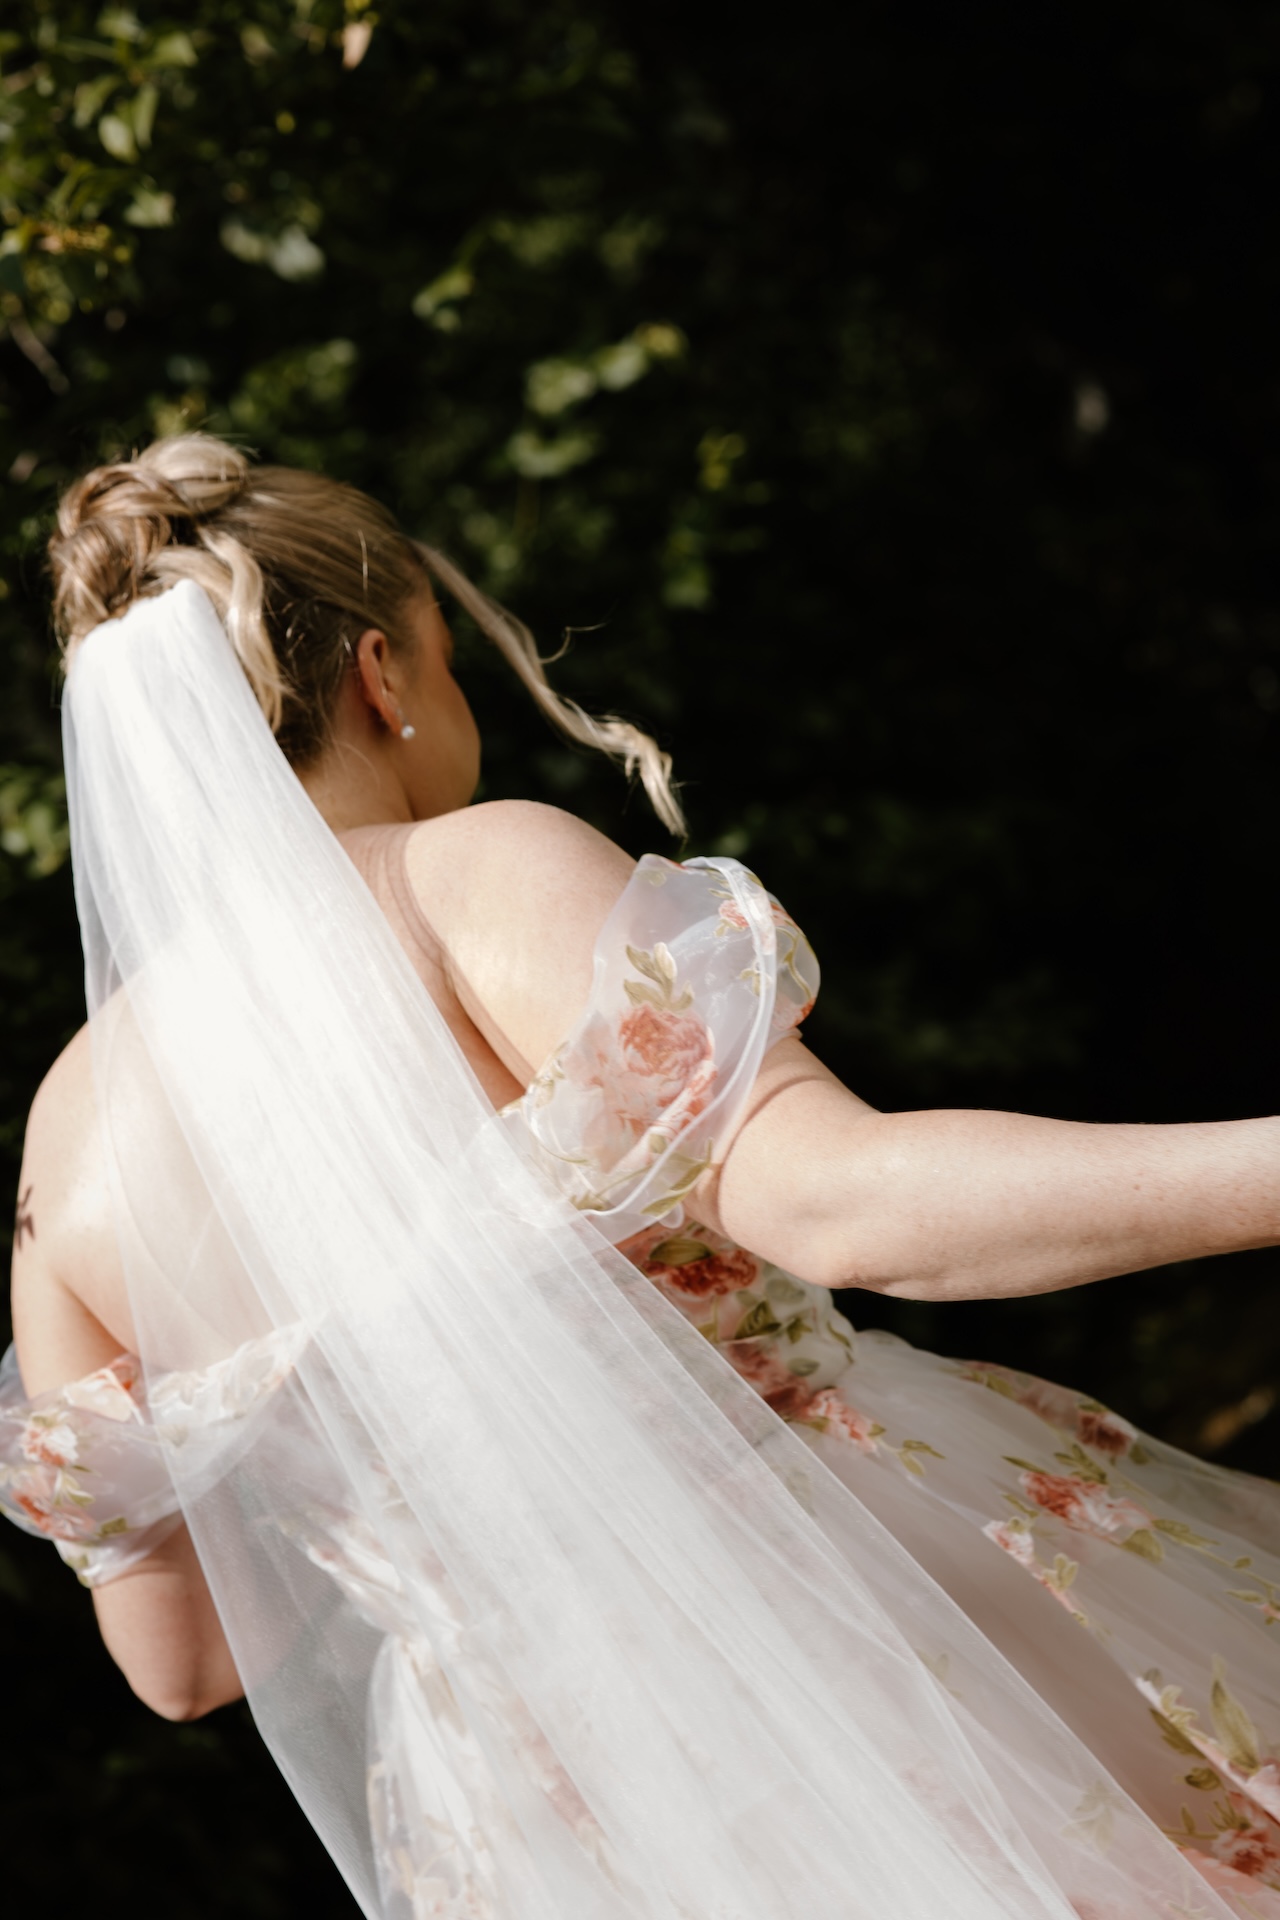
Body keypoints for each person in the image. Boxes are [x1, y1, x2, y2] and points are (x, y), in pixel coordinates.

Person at [2, 431, 1278, 1920]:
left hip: (552, 1817)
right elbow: (836, 1199)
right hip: (861, 1620)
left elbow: (180, 1664)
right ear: (382, 674)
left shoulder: (64, 1142)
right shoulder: (463, 881)